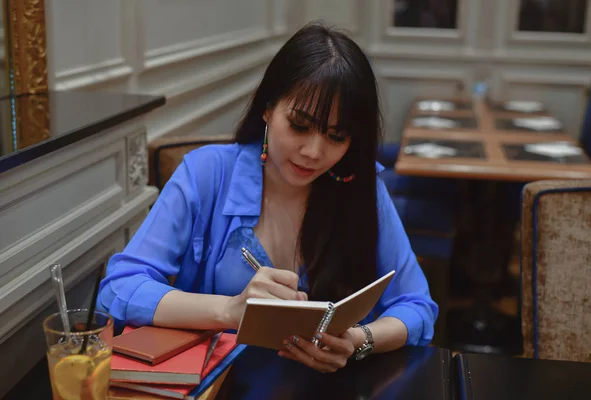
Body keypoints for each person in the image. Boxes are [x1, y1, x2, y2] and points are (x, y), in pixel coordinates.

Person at [97, 22, 438, 373]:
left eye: (337, 136)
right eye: (299, 126)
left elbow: (417, 306)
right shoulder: (206, 174)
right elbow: (119, 289)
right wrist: (229, 310)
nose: (313, 152)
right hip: (220, 384)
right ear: (267, 108)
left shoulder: (360, 186)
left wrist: (359, 340)